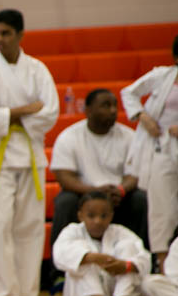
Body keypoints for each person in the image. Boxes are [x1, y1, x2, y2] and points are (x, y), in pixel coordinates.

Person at [0, 9, 59, 296]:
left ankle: (26, 293)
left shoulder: (37, 69)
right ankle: (1, 293)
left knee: (30, 225)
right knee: (2, 222)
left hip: (31, 156)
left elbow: (49, 112)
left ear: (20, 35)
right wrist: (22, 112)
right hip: (0, 157)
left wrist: (7, 113)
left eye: (5, 33)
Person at [122, 32, 178, 271]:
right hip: (162, 148)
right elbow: (128, 93)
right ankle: (165, 266)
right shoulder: (162, 76)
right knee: (163, 209)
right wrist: (143, 117)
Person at [50, 89, 148, 251]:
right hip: (83, 194)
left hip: (119, 195)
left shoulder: (129, 136)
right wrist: (94, 192)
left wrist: (121, 189)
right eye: (105, 105)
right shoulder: (69, 136)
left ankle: (141, 259)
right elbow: (64, 176)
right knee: (65, 202)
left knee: (140, 199)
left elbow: (135, 173)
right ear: (88, 110)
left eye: (115, 106)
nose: (113, 110)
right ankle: (58, 273)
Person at [52, 191, 152, 296]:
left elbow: (145, 258)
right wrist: (92, 258)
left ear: (111, 216)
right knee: (81, 255)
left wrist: (126, 265)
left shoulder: (120, 232)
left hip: (120, 295)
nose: (98, 221)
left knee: (128, 247)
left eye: (104, 216)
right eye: (91, 216)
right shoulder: (72, 231)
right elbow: (60, 257)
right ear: (80, 216)